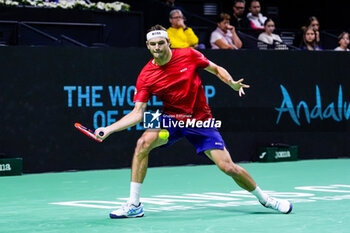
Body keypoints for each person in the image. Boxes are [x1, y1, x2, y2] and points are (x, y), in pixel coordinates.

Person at [95, 25, 293, 218]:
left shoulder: (188, 55)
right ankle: (134, 205)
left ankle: (266, 199)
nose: (157, 48)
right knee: (142, 144)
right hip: (169, 117)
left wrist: (231, 83)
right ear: (147, 45)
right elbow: (138, 113)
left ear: (168, 42)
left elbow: (216, 69)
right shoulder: (146, 75)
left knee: (228, 167)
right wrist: (109, 129)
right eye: (152, 44)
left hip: (200, 119)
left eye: (161, 43)